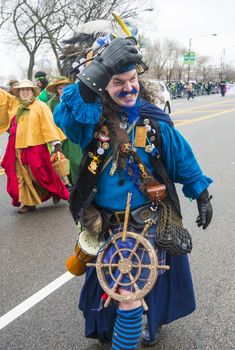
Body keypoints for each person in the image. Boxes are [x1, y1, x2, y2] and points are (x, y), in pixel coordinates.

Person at [54, 37, 213, 349]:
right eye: (117, 82)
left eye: (132, 80)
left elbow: (181, 157)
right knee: (112, 282)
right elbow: (66, 118)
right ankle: (109, 327)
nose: (129, 88)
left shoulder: (153, 119)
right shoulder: (90, 122)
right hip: (104, 222)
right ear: (102, 85)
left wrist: (202, 193)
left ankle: (145, 326)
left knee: (132, 290)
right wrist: (94, 73)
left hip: (147, 220)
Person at [0, 79, 69, 213]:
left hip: (36, 147)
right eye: (22, 90)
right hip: (18, 148)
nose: (25, 92)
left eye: (27, 90)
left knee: (41, 173)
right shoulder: (17, 107)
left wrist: (55, 144)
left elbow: (48, 125)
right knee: (22, 176)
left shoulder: (40, 106)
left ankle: (56, 191)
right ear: (18, 93)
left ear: (32, 91)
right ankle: (28, 203)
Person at [47, 76, 83, 185]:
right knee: (61, 164)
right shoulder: (51, 103)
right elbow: (49, 121)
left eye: (65, 87)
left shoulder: (76, 99)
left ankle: (79, 186)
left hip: (73, 135)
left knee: (76, 161)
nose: (63, 90)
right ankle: (66, 188)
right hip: (58, 137)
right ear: (56, 91)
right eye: (60, 88)